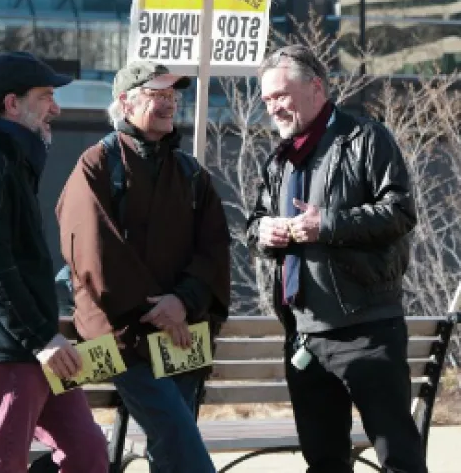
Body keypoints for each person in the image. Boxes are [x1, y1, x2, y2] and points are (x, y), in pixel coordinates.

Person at [246, 44, 427, 473]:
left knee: (399, 459)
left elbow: (400, 212)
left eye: (281, 96)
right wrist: (264, 231)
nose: (273, 108)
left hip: (366, 329)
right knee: (324, 462)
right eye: (267, 100)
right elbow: (254, 224)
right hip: (304, 335)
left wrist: (326, 225)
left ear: (316, 88)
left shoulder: (366, 137)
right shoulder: (279, 158)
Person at [56, 61, 231, 473]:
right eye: (158, 95)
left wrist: (183, 302)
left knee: (172, 445)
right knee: (176, 432)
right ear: (124, 101)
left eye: (173, 96)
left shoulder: (193, 175)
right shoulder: (95, 165)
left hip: (183, 333)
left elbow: (214, 250)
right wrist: (159, 312)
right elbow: (95, 254)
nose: (169, 104)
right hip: (119, 337)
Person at [0, 51, 108, 473]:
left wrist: (43, 339)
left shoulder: (9, 159)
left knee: (88, 454)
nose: (57, 107)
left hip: (35, 346)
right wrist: (40, 339)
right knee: (2, 465)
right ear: (12, 104)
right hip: (7, 351)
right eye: (46, 96)